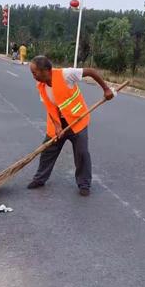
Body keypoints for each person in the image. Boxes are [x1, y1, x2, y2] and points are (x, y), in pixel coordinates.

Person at [28, 56, 114, 196]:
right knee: (48, 151)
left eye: (34, 72)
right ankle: (39, 179)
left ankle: (84, 184)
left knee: (81, 153)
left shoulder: (66, 74)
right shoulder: (42, 86)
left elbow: (91, 71)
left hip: (77, 121)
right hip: (58, 124)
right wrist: (57, 126)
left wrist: (106, 89)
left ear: (45, 70)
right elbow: (50, 108)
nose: (33, 76)